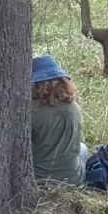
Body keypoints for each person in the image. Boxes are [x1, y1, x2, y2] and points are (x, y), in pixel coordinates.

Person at [31, 54, 85, 186]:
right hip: (73, 180)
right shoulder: (74, 107)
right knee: (83, 148)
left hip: (39, 179)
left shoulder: (30, 110)